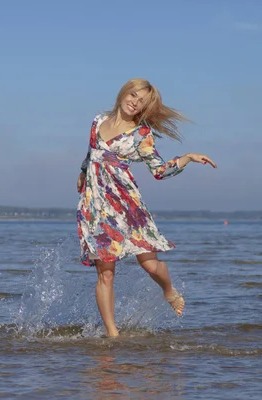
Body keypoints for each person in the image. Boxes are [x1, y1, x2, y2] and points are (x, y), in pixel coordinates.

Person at [76, 78, 216, 337]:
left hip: (126, 205)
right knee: (105, 273)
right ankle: (112, 334)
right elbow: (91, 151)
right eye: (132, 96)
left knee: (149, 264)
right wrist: (83, 172)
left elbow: (159, 171)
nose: (134, 103)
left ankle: (168, 290)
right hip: (95, 206)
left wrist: (187, 158)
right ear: (123, 93)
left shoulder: (142, 134)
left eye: (141, 102)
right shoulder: (97, 121)